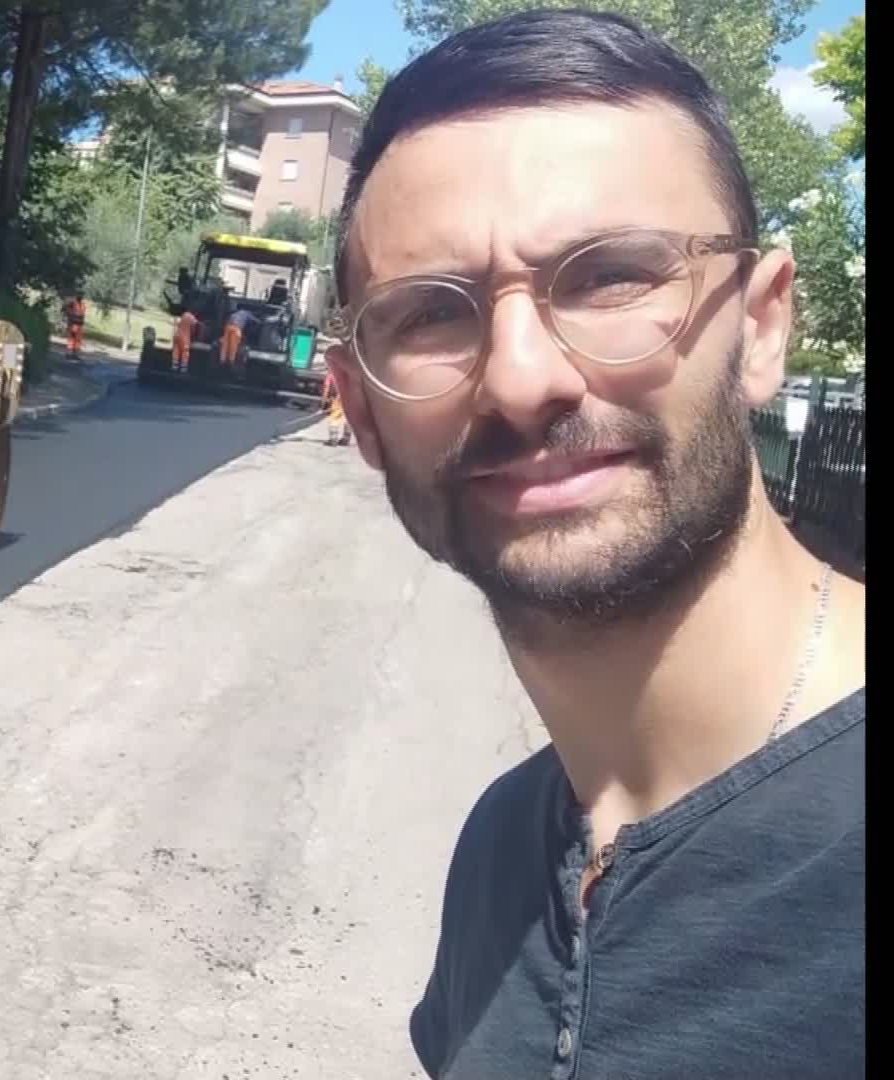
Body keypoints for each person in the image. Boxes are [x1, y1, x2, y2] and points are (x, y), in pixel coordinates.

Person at [321, 10, 865, 1079]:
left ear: (761, 326)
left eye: (614, 276)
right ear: (362, 412)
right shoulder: (500, 857)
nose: (522, 379)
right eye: (431, 314)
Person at [63, 293, 87, 359]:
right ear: (76, 295)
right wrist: (70, 317)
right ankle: (68, 354)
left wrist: (82, 323)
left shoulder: (83, 304)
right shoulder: (72, 303)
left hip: (80, 325)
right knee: (71, 339)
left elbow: (83, 315)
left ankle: (75, 355)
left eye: (81, 295)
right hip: (73, 324)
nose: (80, 296)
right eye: (79, 295)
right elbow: (65, 308)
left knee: (78, 340)